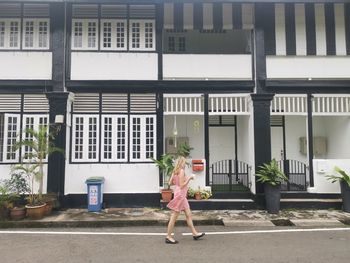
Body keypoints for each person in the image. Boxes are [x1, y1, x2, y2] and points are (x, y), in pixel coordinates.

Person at [165, 156, 205, 244]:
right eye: (184, 162)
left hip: (178, 193)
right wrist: (189, 179)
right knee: (174, 217)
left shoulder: (175, 171)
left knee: (188, 214)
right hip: (180, 195)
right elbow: (182, 185)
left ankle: (195, 233)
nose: (185, 164)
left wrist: (178, 182)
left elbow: (170, 183)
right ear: (181, 162)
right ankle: (168, 236)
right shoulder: (182, 171)